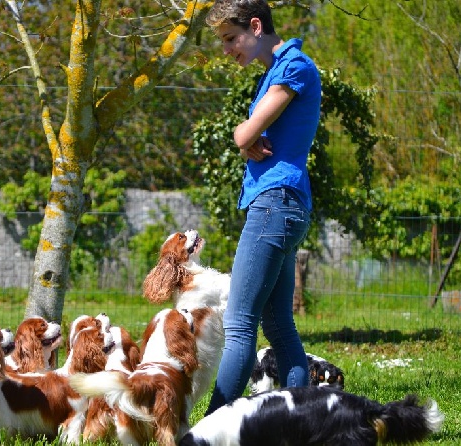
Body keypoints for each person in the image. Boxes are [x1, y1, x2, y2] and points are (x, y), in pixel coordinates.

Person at [204, 0, 321, 415]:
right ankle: (297, 423)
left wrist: (244, 134)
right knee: (278, 325)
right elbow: (247, 135)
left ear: (256, 26)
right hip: (281, 204)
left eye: (231, 39)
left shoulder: (295, 67)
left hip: (275, 204)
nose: (227, 49)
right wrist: (246, 134)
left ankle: (209, 430)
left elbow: (244, 135)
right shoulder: (275, 72)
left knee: (239, 326)